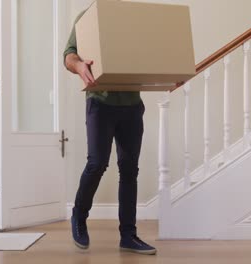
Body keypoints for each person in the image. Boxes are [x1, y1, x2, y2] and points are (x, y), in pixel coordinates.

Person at [63, 10, 157, 255]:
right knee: (97, 163)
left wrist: (170, 72)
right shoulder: (86, 18)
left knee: (129, 170)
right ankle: (79, 217)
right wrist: (79, 64)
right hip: (100, 103)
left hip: (132, 105)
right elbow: (69, 55)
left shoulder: (133, 18)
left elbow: (154, 52)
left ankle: (128, 236)